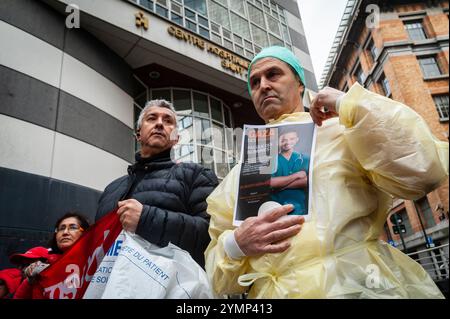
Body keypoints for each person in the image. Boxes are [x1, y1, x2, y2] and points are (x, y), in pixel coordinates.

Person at [204, 46, 448, 298]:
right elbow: (217, 277)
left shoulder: (343, 131)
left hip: (361, 288)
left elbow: (423, 170)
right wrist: (236, 245)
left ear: (300, 85)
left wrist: (348, 104)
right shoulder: (242, 172)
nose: (263, 85)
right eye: (254, 82)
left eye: (273, 74)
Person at [95, 99, 218, 268]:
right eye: (152, 118)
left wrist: (147, 219)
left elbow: (211, 236)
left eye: (168, 121)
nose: (160, 124)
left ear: (176, 139)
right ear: (138, 134)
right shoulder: (111, 190)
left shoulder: (196, 175)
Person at [12, 212, 89, 299]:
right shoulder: (44, 267)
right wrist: (29, 281)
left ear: (86, 232)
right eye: (61, 228)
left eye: (73, 227)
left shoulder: (96, 261)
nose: (65, 232)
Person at [270, 128, 309, 215]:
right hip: (275, 205)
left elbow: (306, 181)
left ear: (297, 140)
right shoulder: (272, 160)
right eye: (284, 140)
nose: (287, 142)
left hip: (300, 205)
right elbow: (271, 183)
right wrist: (296, 175)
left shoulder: (305, 158)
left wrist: (280, 186)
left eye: (292, 139)